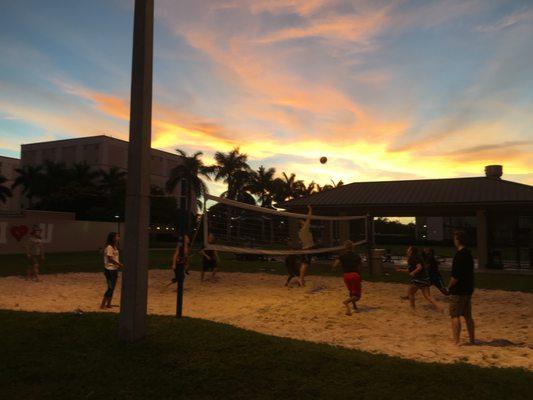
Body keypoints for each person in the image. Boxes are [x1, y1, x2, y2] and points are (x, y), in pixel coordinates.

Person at [448, 231, 475, 345]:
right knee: (468, 316)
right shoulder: (469, 254)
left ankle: (456, 341)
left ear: (458, 240)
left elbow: (455, 277)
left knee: (455, 315)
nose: (454, 241)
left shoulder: (459, 256)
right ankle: (472, 339)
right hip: (468, 289)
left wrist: (448, 287)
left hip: (458, 290)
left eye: (455, 239)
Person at [399, 246, 440, 311]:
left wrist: (413, 273)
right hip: (424, 279)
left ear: (411, 251)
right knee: (427, 296)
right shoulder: (415, 258)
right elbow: (410, 270)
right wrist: (401, 270)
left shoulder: (413, 258)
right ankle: (439, 307)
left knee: (410, 293)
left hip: (419, 279)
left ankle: (413, 309)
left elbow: (419, 267)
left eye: (408, 249)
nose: (407, 250)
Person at [332, 240, 362, 315]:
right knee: (357, 296)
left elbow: (335, 265)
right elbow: (360, 266)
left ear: (345, 247)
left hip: (346, 276)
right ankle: (346, 302)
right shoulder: (356, 255)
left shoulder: (342, 256)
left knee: (352, 292)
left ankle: (354, 306)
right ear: (353, 247)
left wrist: (335, 268)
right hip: (354, 275)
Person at [101, 232, 124, 309]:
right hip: (109, 270)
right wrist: (120, 264)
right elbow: (109, 258)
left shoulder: (114, 247)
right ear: (113, 238)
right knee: (110, 287)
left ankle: (108, 304)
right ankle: (102, 305)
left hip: (114, 269)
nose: (119, 238)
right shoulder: (109, 247)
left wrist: (118, 265)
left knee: (112, 287)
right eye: (117, 236)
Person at [298, 205, 314, 286]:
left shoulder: (301, 231)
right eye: (303, 222)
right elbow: (309, 218)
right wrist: (310, 210)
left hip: (305, 249)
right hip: (306, 249)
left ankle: (301, 279)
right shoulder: (304, 229)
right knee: (305, 264)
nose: (305, 222)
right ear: (302, 224)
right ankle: (300, 279)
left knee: (304, 264)